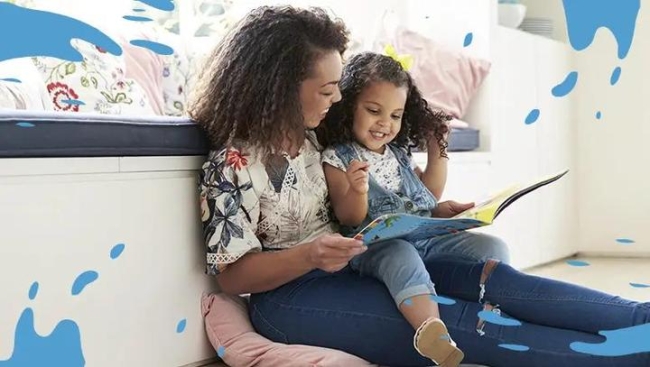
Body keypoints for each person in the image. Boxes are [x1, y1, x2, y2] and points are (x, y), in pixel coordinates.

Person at [190, 5, 650, 367]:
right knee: (467, 323)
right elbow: (233, 274)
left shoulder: (319, 140)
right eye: (327, 88)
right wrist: (310, 254)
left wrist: (429, 215)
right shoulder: (228, 167)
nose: (336, 98)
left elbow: (382, 170)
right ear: (280, 87)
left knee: (497, 280)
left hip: (364, 263)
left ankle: (639, 319)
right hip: (293, 299)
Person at [317, 51, 473, 366]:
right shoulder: (338, 156)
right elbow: (350, 218)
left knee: (486, 245)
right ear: (349, 107)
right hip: (374, 248)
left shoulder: (398, 153)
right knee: (400, 254)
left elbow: (425, 195)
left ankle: (484, 301)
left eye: (396, 115)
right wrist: (358, 189)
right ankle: (431, 330)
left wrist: (437, 150)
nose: (385, 124)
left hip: (421, 237)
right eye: (374, 111)